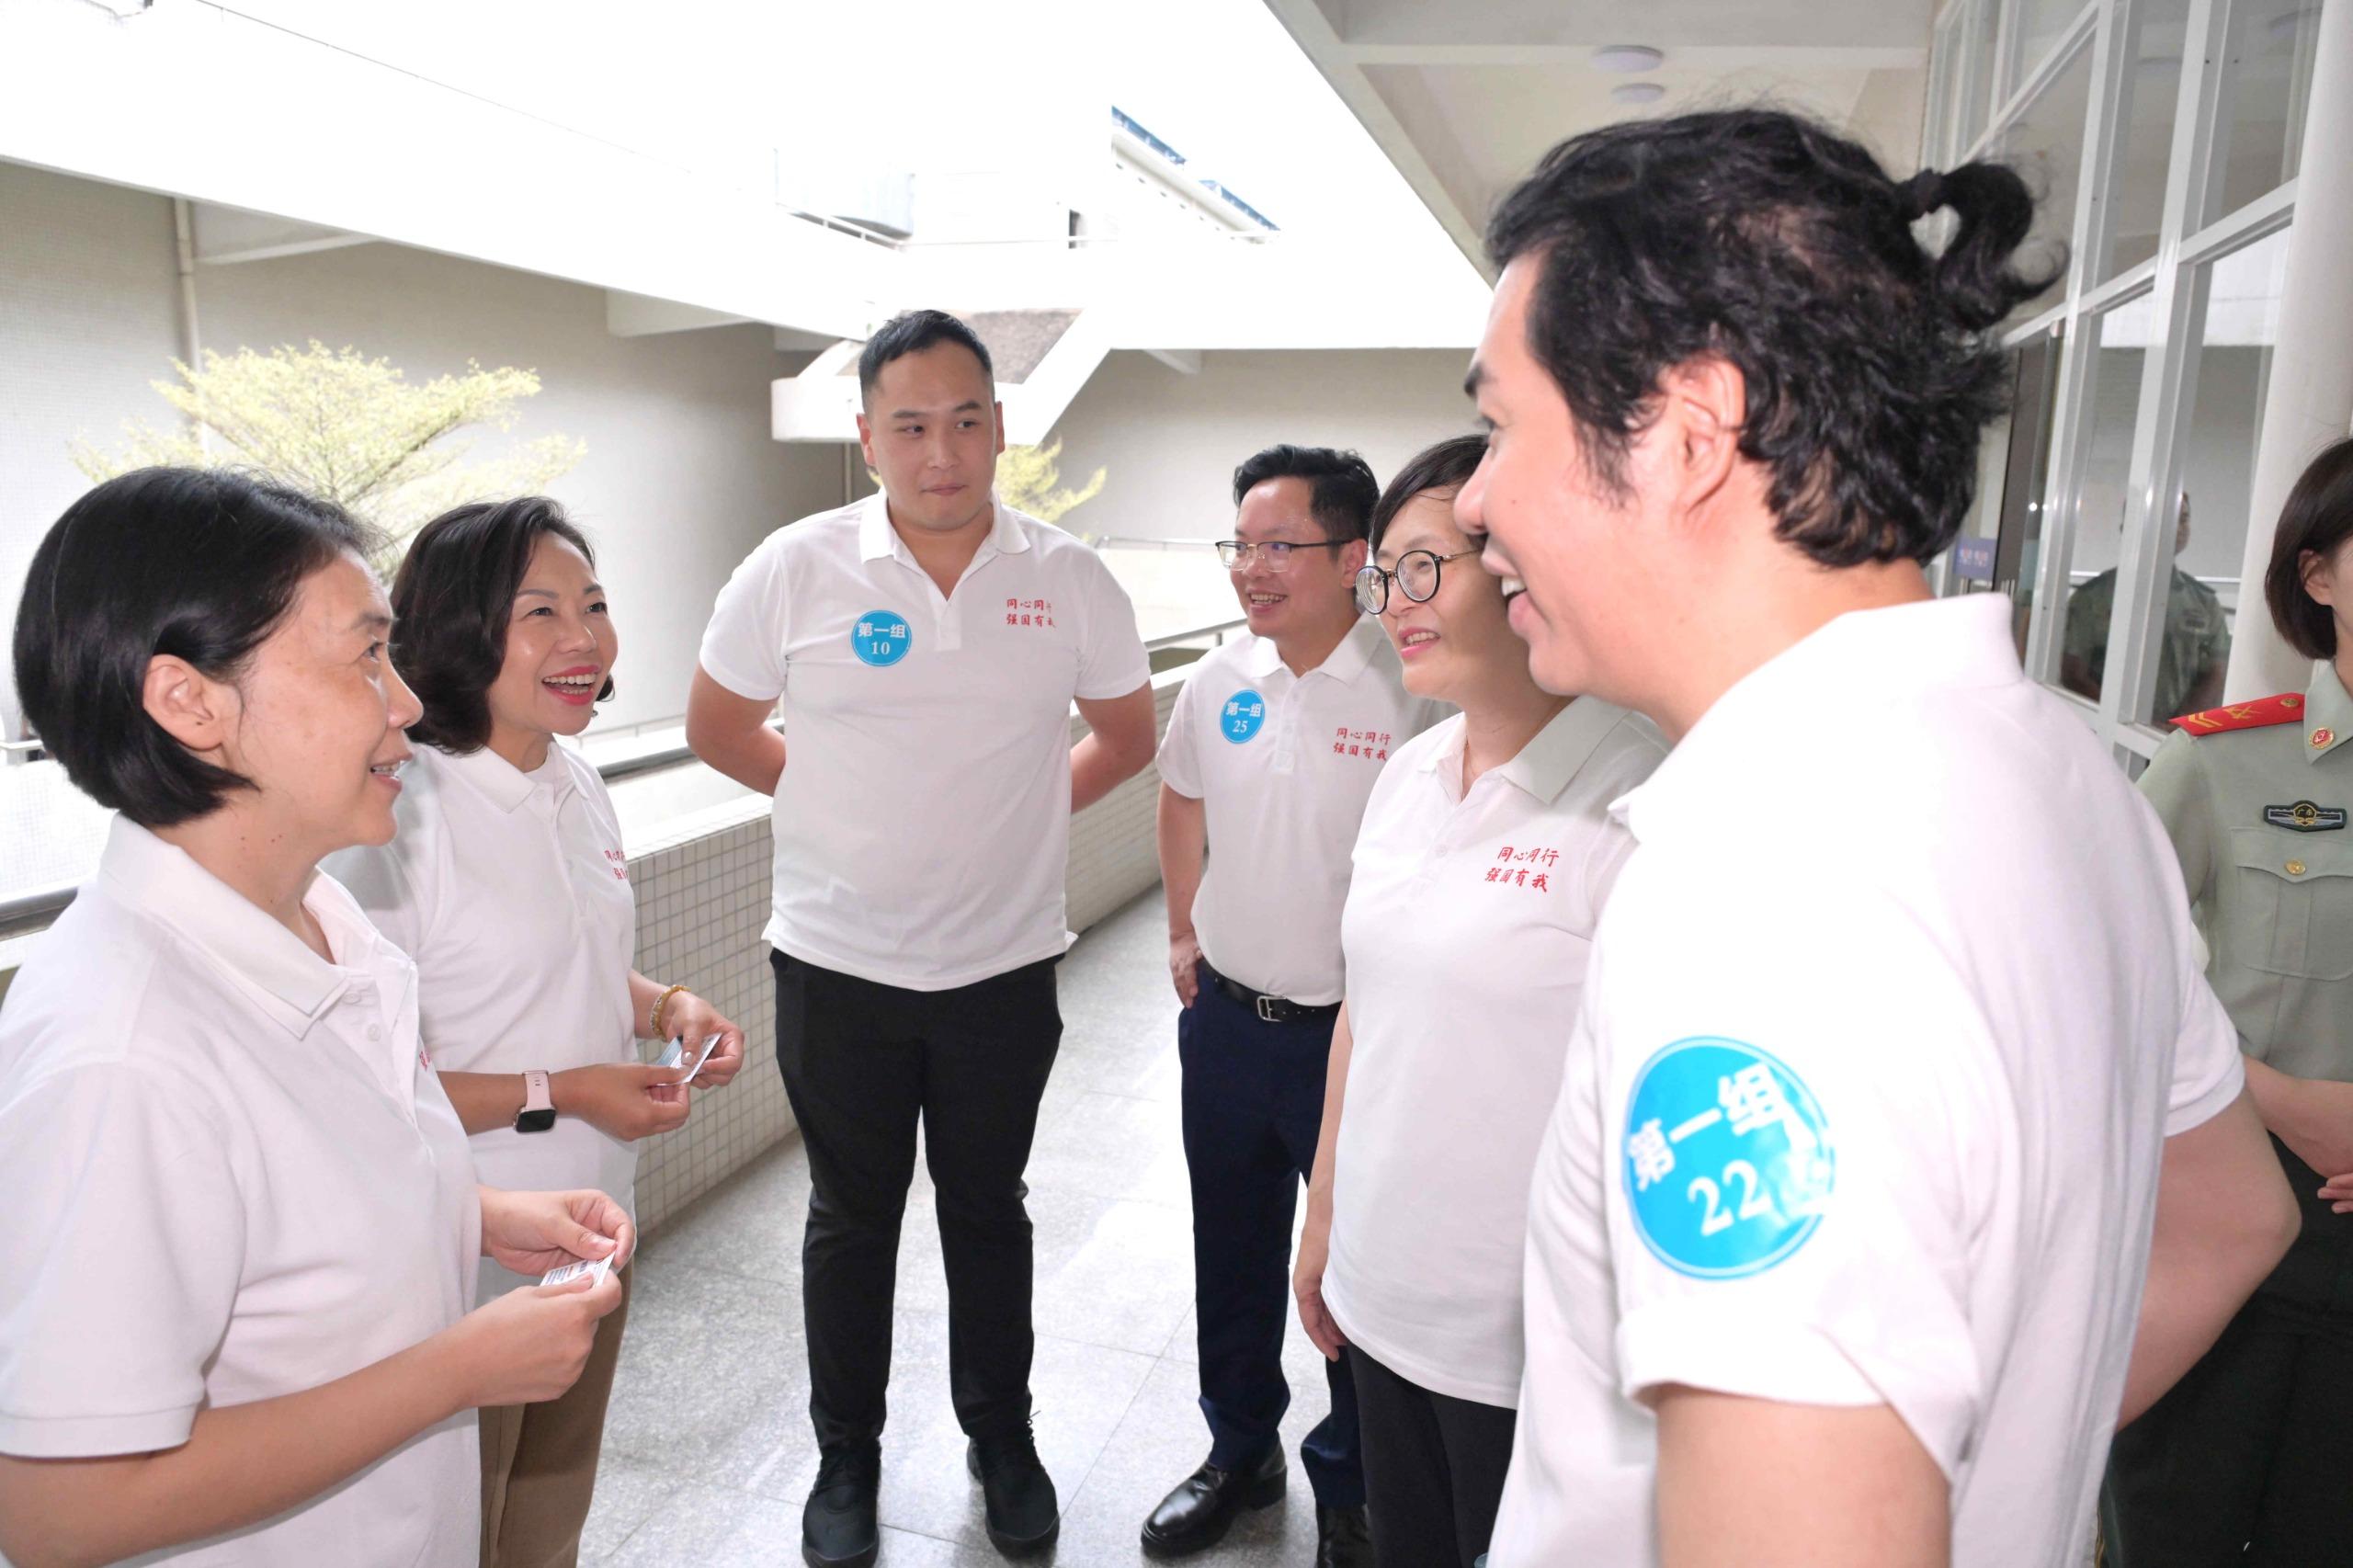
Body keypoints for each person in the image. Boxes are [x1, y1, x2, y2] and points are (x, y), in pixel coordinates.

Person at [1455, 111, 2298, 1567]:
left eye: (1500, 423)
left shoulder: (1764, 894)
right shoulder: (2063, 773)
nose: (1474, 502)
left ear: (1688, 430)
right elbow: (2230, 1221)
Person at [0, 467, 631, 1568]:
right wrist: (462, 1367)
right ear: (190, 701)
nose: (409, 702)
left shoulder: (320, 914)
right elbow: (56, 1510)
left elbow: (280, 1185)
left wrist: (466, 1205)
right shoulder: (124, 1051)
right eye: (363, 657)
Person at [688, 309, 1157, 1566]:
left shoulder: (1067, 577)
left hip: (1002, 971)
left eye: (964, 421)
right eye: (910, 425)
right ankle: (847, 1457)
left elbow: (1126, 731)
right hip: (836, 967)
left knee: (987, 1210)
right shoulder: (793, 567)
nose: (940, 451)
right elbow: (719, 724)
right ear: (867, 437)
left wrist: (1019, 813)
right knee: (851, 1216)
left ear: (1000, 428)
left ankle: (1001, 1438)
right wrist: (837, 801)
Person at [324, 495, 747, 1568]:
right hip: (459, 1259)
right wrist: (566, 1087)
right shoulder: (395, 811)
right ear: (461, 631)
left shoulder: (574, 776)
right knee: (455, 1533)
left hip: (593, 1232)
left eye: (595, 605)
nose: (584, 638)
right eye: (541, 611)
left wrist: (662, 1006)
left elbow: (575, 956)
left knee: (544, 1523)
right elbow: (359, 1076)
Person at [1291, 435, 1664, 1567]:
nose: (1391, 602)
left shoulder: (1636, 797)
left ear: (1522, 567)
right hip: (1384, 1295)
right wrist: (1324, 1217)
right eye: (1381, 576)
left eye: (1423, 567)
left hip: (1535, 1349)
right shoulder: (1410, 770)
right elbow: (1367, 1010)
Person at [1145, 444, 1439, 1565]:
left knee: (1348, 1270)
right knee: (1231, 1245)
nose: (1252, 568)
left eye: (1281, 546)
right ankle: (1238, 1450)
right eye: (1241, 544)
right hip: (1225, 1022)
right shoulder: (1219, 679)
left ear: (1354, 557)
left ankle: (1353, 1478)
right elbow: (1178, 797)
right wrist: (1182, 927)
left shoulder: (1411, 685)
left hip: (1351, 1040)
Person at [2102, 436, 2353, 1565]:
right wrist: (2281, 1096)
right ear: (2317, 576)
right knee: (2179, 1533)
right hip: (2234, 1225)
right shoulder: (2224, 767)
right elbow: (2105, 975)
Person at [2061, 493, 2232, 721]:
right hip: (2104, 732)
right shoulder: (2093, 597)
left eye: (2183, 519)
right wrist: (2120, 721)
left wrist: (2174, 727)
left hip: (2175, 737)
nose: (2178, 528)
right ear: (2129, 528)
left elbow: (2215, 674)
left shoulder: (2204, 602)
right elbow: (2073, 674)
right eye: (2167, 519)